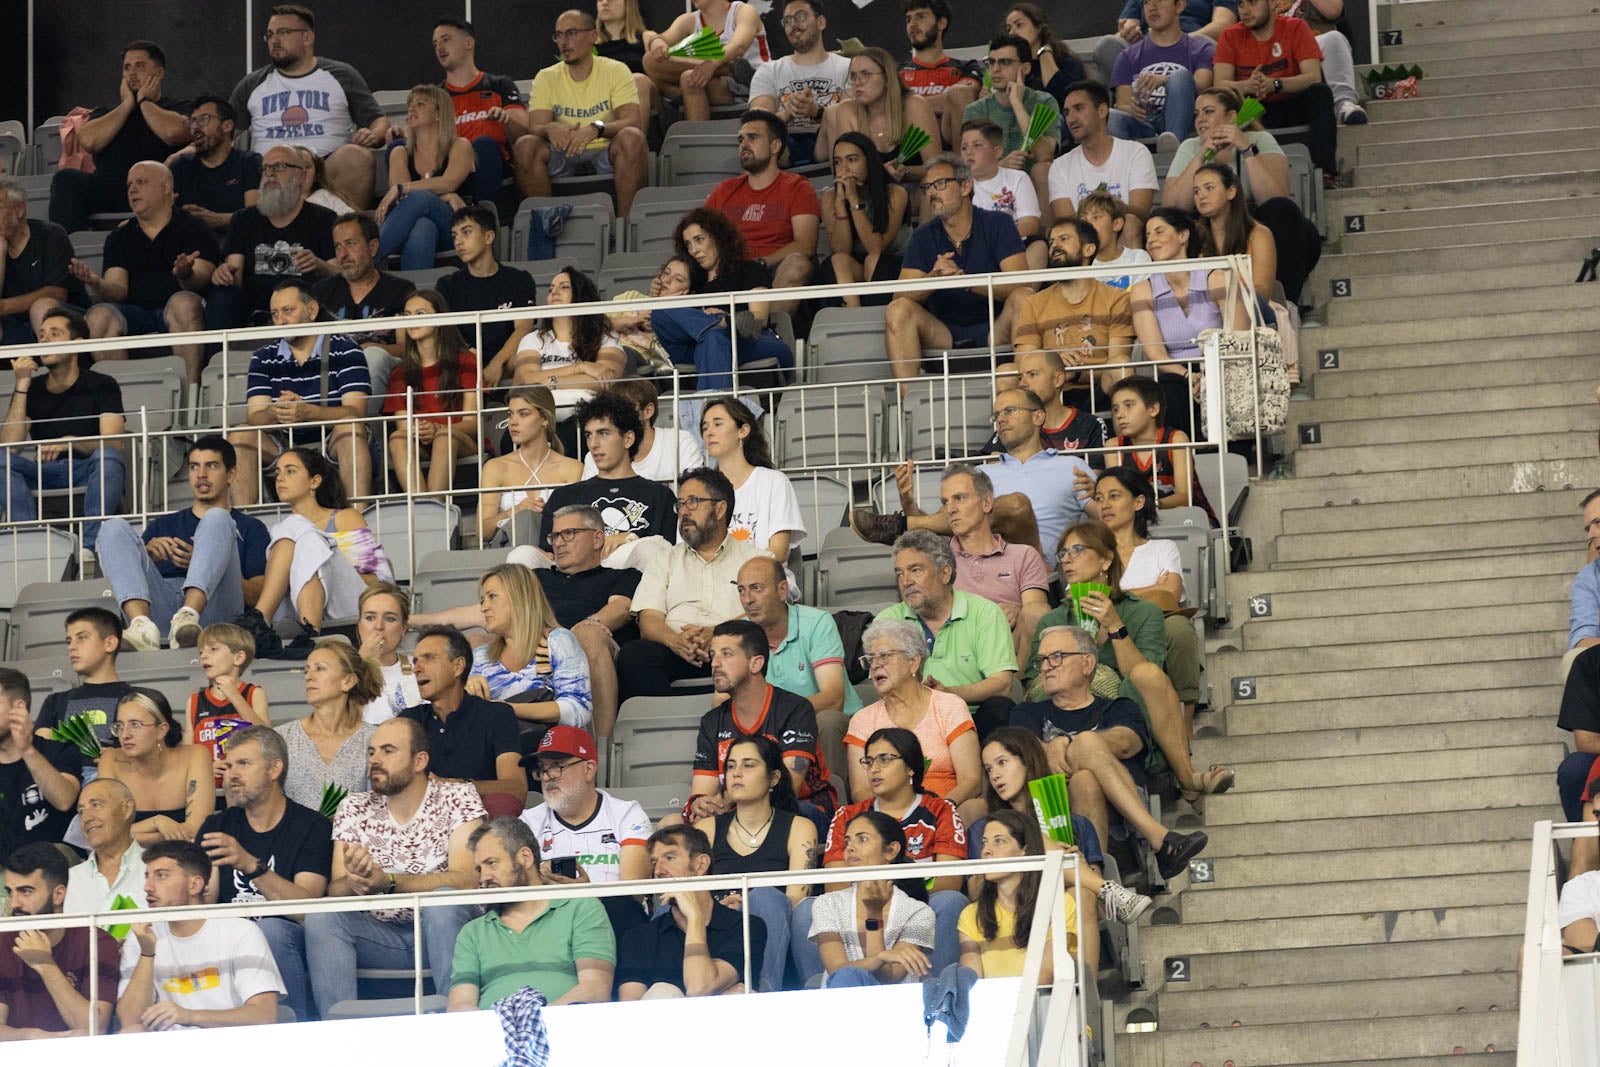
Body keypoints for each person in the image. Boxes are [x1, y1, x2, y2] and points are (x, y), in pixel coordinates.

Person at [1029, 520, 1230, 799]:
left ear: (1106, 560)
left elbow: (1145, 676)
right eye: (1063, 553)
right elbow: (1034, 683)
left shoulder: (1144, 612)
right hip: (1067, 708)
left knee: (1147, 674)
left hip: (1123, 709)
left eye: (1077, 550)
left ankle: (1186, 776)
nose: (1067, 559)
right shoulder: (1052, 621)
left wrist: (1114, 625)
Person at [307, 717, 484, 1018]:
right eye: (371, 751)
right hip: (380, 937)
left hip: (446, 932)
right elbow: (336, 889)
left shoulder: (457, 797)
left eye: (388, 751)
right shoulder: (353, 807)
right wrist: (357, 881)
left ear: (419, 761)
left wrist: (388, 882)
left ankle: (457, 1022)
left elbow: (467, 880)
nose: (375, 760)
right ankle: (337, 1031)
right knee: (323, 915)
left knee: (443, 902)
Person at [1014, 625, 1210, 878]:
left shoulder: (1120, 708)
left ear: (1087, 663)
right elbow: (1024, 751)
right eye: (1041, 659)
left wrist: (1064, 743)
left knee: (1086, 764)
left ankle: (1092, 883)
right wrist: (1061, 748)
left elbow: (1127, 743)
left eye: (1057, 657)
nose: (1045, 667)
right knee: (1084, 775)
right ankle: (1158, 840)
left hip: (1120, 820)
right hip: (1052, 815)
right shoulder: (1027, 712)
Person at [853, 387, 1095, 568]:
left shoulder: (1071, 466)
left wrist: (1097, 495)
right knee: (960, 509)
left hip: (1042, 566)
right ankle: (903, 524)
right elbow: (939, 528)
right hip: (981, 566)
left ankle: (899, 526)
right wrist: (908, 502)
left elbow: (1103, 521)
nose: (1001, 419)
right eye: (996, 415)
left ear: (1038, 417)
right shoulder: (983, 472)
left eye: (1010, 411)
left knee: (1016, 505)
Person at [799, 727, 967, 980]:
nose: (874, 769)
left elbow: (949, 880)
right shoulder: (847, 815)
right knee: (809, 908)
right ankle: (815, 988)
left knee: (950, 901)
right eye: (869, 761)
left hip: (917, 907)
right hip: (855, 909)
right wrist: (871, 901)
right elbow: (835, 883)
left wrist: (891, 899)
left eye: (885, 759)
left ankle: (936, 987)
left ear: (911, 767)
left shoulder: (941, 810)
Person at [198, 725, 332, 1023]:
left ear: (275, 769)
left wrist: (250, 865)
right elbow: (202, 900)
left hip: (286, 941)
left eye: (243, 764)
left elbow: (308, 910)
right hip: (227, 941)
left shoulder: (312, 826)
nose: (232, 774)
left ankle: (289, 1028)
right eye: (229, 766)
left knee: (271, 929)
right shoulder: (217, 825)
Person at [95, 436, 271, 651]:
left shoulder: (251, 527)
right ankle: (140, 627)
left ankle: (189, 615)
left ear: (231, 474)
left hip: (216, 614)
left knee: (217, 517)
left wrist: (206, 564)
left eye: (211, 466)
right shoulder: (162, 524)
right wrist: (146, 557)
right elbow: (125, 578)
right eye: (194, 466)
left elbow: (259, 596)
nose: (201, 474)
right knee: (112, 527)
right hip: (161, 612)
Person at [618, 467, 768, 699]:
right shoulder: (664, 560)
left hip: (736, 649)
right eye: (680, 504)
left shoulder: (756, 561)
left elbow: (767, 614)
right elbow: (649, 620)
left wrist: (717, 634)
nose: (683, 511)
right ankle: (664, 720)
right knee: (634, 654)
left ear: (720, 509)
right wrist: (676, 641)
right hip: (676, 651)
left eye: (693, 502)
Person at [978, 727, 1150, 926]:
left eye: (1002, 763)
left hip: (1063, 915)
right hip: (1010, 912)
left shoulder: (1078, 825)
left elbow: (1101, 910)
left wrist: (1080, 864)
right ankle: (1106, 887)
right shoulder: (985, 829)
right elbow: (976, 890)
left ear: (1027, 760)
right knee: (1042, 843)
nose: (995, 775)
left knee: (1082, 892)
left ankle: (1092, 882)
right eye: (989, 769)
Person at [884, 154, 1029, 387]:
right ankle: (908, 403)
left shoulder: (998, 223)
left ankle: (1027, 392)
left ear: (965, 187)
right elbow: (900, 295)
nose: (931, 193)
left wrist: (966, 282)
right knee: (898, 310)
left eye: (940, 184)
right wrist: (934, 278)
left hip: (995, 328)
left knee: (1024, 298)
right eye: (927, 187)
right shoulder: (923, 236)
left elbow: (1020, 283)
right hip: (943, 332)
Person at [1165, 87, 1318, 305]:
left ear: (1231, 117)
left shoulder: (1259, 139)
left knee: (1283, 212)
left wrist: (1246, 148)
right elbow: (1173, 207)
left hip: (1253, 223)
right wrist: (1201, 155)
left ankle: (1283, 302)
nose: (1200, 119)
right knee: (1168, 224)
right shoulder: (1190, 146)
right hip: (1210, 227)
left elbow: (1276, 196)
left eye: (1208, 112)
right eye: (1197, 114)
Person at [66, 162, 216, 383]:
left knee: (183, 304)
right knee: (98, 316)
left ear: (166, 187)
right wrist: (96, 282)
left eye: (141, 182)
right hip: (135, 313)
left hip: (177, 309)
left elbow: (203, 277)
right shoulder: (120, 236)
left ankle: (189, 393)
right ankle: (118, 397)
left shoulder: (193, 227)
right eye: (129, 185)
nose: (132, 189)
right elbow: (117, 290)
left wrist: (185, 274)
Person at [229, 3, 388, 210]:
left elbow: (379, 121)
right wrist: (192, 148)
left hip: (326, 173)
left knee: (357, 157)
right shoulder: (252, 83)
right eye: (270, 34)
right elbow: (224, 131)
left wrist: (373, 135)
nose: (275, 40)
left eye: (283, 32)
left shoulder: (342, 75)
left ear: (307, 37)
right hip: (269, 172)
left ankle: (346, 227)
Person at [447, 816, 616, 1009]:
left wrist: (535, 1019)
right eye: (479, 869)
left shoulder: (582, 908)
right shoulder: (473, 932)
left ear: (525, 857)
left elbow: (595, 988)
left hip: (565, 1025)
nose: (483, 877)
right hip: (492, 1028)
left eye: (491, 863)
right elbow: (459, 1005)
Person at [229, 282, 371, 508]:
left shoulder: (346, 349)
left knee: (350, 427)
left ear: (312, 310)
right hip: (283, 444)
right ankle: (247, 522)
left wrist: (308, 412)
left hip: (333, 440)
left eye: (288, 311)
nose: (280, 321)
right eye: (275, 314)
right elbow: (255, 418)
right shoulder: (262, 357)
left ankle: (357, 519)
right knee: (240, 434)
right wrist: (275, 412)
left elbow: (357, 412)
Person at [115, 840, 283, 1031]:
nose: (147, 887)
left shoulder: (241, 931)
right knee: (132, 1031)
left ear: (194, 885)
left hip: (230, 1042)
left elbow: (264, 1015)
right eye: (147, 876)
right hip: (169, 1047)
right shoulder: (142, 937)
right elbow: (130, 1021)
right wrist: (147, 954)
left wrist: (190, 1016)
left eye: (161, 876)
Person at [1091, 466, 1212, 728]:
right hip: (1104, 630)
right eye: (1099, 498)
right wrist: (1151, 589)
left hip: (1155, 623)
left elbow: (1169, 594)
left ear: (1138, 502)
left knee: (1178, 627)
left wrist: (1115, 596)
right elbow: (1086, 600)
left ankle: (1185, 726)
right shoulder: (1091, 553)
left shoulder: (1162, 548)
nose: (1105, 505)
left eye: (1114, 496)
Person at [694, 733, 816, 993]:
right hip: (719, 930)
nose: (736, 773)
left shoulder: (800, 827)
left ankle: (761, 989)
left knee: (766, 896)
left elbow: (796, 898)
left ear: (774, 778)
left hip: (776, 933)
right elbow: (692, 896)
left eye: (748, 765)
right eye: (731, 766)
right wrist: (720, 909)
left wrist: (748, 905)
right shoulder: (706, 828)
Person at [687, 620, 836, 829]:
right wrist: (701, 805)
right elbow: (702, 792)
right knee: (677, 824)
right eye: (713, 655)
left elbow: (787, 789)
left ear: (756, 664)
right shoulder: (712, 722)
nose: (715, 664)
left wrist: (726, 801)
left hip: (801, 811)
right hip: (736, 813)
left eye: (726, 654)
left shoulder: (795, 709)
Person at [237, 448, 391, 649]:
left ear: (315, 481)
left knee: (304, 534)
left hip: (354, 605)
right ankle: (308, 634)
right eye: (278, 472)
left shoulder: (345, 518)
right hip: (297, 610)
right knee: (295, 531)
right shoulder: (283, 533)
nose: (280, 478)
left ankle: (260, 618)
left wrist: (323, 569)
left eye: (290, 471)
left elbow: (381, 581)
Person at [1, 307, 127, 551]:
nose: (44, 340)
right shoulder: (33, 389)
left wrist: (71, 441)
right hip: (43, 473)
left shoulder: (102, 384)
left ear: (76, 344)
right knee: (0, 459)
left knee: (108, 457)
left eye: (54, 333)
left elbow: (113, 443)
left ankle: (90, 548)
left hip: (86, 469)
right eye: (41, 335)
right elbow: (10, 446)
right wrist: (22, 384)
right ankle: (27, 542)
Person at [737, 555, 859, 795]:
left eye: (756, 588)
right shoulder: (740, 634)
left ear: (782, 590)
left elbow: (833, 698)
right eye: (741, 590)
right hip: (772, 729)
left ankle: (831, 801)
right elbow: (720, 702)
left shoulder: (817, 623)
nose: (747, 599)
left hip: (826, 725)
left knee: (828, 721)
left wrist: (774, 714)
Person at [1126, 205, 1247, 434]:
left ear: (1183, 236)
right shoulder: (1143, 289)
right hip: (1176, 372)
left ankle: (1234, 449)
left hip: (1222, 365)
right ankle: (1185, 452)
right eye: (1147, 235)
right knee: (1170, 389)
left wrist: (1209, 376)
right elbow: (1155, 353)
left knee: (1223, 387)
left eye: (1159, 232)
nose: (1151, 240)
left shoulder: (1216, 277)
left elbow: (1238, 338)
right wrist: (1188, 376)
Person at [48, 42, 190, 235]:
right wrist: (127, 105)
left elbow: (173, 134)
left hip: (156, 189)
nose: (132, 73)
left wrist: (144, 102)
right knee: (66, 179)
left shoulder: (178, 107)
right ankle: (69, 248)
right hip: (111, 189)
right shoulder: (107, 113)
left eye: (140, 66)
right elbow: (88, 141)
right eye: (127, 68)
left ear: (159, 73)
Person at [518, 10, 647, 217]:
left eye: (571, 33)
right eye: (559, 35)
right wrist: (549, 128)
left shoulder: (616, 70)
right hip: (562, 152)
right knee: (525, 145)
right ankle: (544, 225)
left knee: (633, 137)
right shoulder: (546, 77)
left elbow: (632, 121)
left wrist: (596, 129)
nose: (563, 41)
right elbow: (535, 127)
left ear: (592, 36)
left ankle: (626, 225)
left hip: (605, 150)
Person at [846, 614, 987, 799]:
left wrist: (941, 809)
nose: (875, 665)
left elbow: (971, 781)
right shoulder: (863, 721)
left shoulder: (949, 707)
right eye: (871, 659)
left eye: (884, 656)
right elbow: (861, 792)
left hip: (946, 807)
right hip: (887, 812)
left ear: (913, 662)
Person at [652, 208, 792, 392]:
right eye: (688, 244)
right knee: (661, 311)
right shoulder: (693, 283)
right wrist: (656, 295)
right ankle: (720, 322)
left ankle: (711, 407)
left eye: (699, 240)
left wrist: (729, 319)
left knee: (714, 338)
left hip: (753, 341)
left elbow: (758, 320)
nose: (694, 250)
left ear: (718, 236)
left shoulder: (748, 270)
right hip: (701, 345)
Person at [532, 505, 641, 738]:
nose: (558, 543)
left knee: (588, 634)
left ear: (597, 538)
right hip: (537, 646)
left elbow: (621, 609)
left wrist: (569, 637)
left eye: (568, 534)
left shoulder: (622, 576)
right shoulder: (536, 578)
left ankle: (601, 747)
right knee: (474, 643)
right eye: (554, 536)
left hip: (593, 648)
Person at [616, 825, 761, 998]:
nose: (658, 871)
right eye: (654, 862)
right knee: (663, 991)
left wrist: (694, 918)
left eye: (669, 858)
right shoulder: (639, 937)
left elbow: (699, 987)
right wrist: (718, 994)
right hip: (661, 1017)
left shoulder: (745, 927)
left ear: (701, 864)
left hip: (722, 1017)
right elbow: (631, 1008)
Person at [208, 145, 339, 329]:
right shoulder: (243, 220)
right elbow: (234, 274)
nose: (270, 173)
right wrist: (223, 274)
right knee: (222, 296)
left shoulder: (324, 219)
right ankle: (222, 349)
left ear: (301, 177)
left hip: (304, 307)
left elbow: (339, 276)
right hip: (254, 308)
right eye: (265, 168)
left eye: (280, 166)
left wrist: (319, 265)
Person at [402, 625, 527, 813]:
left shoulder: (496, 715)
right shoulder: (408, 721)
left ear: (458, 666)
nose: (417, 669)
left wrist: (459, 787)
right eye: (415, 661)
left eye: (429, 658)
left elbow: (516, 788)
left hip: (481, 824)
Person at [0, 843, 119, 1039]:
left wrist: (46, 966)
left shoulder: (97, 941)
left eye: (26, 891)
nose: (14, 903)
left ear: (58, 895)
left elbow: (95, 1028)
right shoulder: (3, 942)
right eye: (10, 892)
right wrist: (31, 1036)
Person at [806, 810, 935, 987]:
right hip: (843, 999)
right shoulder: (827, 904)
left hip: (894, 1001)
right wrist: (881, 957)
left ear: (891, 851)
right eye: (847, 841)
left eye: (862, 839)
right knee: (847, 977)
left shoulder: (918, 912)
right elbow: (838, 972)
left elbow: (889, 977)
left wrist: (874, 915)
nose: (850, 847)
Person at [1212, 0, 1337, 181]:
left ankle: (1325, 172)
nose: (1245, 10)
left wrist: (1274, 84)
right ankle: (1226, 177)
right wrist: (1247, 86)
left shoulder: (1296, 27)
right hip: (1252, 109)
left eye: (1252, 3)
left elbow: (1313, 77)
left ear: (1272, 4)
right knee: (1221, 105)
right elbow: (1219, 84)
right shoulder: (1230, 35)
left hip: (1292, 104)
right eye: (1241, 4)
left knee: (1320, 92)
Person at [1012, 218, 1136, 398]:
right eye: (1051, 242)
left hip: (1099, 390)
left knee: (1121, 366)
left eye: (1063, 239)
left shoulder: (1116, 298)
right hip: (1049, 393)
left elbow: (1119, 360)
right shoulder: (1034, 303)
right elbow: (1023, 361)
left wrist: (1075, 373)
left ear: (1088, 249)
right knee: (1005, 373)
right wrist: (1054, 361)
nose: (1055, 246)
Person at [940, 463, 1051, 663]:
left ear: (986, 503)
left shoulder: (1023, 555)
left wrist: (1017, 610)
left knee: (1036, 611)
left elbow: (1035, 611)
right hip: (959, 650)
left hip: (1011, 648)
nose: (950, 509)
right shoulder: (939, 561)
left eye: (960, 498)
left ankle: (1016, 680)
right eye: (945, 502)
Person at [540, 391, 679, 548]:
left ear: (628, 439)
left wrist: (631, 540)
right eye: (589, 435)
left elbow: (665, 553)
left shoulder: (659, 497)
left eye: (603, 434)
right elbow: (547, 552)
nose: (593, 444)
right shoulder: (564, 497)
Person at [466, 562, 594, 732]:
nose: (484, 607)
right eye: (482, 600)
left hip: (548, 747)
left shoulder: (557, 642)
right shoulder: (481, 657)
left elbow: (579, 709)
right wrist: (465, 694)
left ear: (520, 597)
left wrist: (508, 709)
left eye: (492, 596)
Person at [707, 110, 820, 301]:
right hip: (731, 273)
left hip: (773, 271)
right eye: (741, 140)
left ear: (775, 146)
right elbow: (702, 236)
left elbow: (805, 245)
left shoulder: (798, 187)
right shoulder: (724, 190)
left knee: (798, 264)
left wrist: (759, 264)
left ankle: (762, 318)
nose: (744, 144)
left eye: (753, 137)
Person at [521, 726, 651, 888]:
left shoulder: (627, 814)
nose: (547, 777)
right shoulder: (528, 822)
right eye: (542, 768)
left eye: (557, 766)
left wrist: (584, 897)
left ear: (589, 769)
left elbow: (633, 893)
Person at [313, 212, 416, 408]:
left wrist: (373, 349)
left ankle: (359, 423)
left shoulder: (400, 290)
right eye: (337, 246)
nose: (342, 254)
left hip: (384, 373)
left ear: (372, 247)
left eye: (350, 244)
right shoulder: (321, 292)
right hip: (332, 373)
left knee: (374, 356)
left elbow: (407, 347)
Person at [383, 288, 481, 495]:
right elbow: (404, 426)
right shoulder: (400, 372)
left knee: (444, 436)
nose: (412, 320)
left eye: (420, 314)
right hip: (421, 443)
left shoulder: (466, 361)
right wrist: (421, 432)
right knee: (398, 438)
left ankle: (434, 507)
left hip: (460, 439)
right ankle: (421, 506)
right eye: (407, 315)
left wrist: (437, 428)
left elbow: (472, 423)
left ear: (439, 319)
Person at [96, 689, 213, 847]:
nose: (125, 735)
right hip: (129, 858)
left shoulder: (196, 756)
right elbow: (106, 832)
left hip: (184, 856)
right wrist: (156, 822)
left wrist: (131, 835)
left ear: (161, 730)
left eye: (135, 725)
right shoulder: (111, 760)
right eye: (120, 726)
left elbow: (197, 829)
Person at [375, 85, 475, 271]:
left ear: (438, 114)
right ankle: (416, 288)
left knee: (421, 197)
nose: (411, 109)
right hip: (413, 231)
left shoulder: (460, 146)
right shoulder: (400, 153)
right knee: (423, 226)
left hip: (457, 228)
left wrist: (402, 188)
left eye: (420, 104)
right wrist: (447, 197)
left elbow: (449, 182)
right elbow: (403, 202)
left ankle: (368, 258)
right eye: (410, 105)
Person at [437, 204, 538, 385]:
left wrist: (497, 362)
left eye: (466, 232)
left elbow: (524, 327)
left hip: (506, 361)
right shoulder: (447, 285)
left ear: (488, 237)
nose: (458, 242)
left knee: (525, 357)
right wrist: (471, 359)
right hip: (463, 362)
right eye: (454, 236)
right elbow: (444, 334)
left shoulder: (519, 279)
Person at [958, 808, 1066, 979]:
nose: (986, 851)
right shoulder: (971, 915)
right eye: (984, 843)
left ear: (1025, 850)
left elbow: (1048, 974)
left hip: (1041, 996)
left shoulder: (1060, 904)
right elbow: (972, 981)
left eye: (999, 841)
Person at [1047, 81, 1159, 247]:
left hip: (1122, 236)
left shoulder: (1135, 152)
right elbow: (1067, 223)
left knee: (1130, 221)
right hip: (1082, 241)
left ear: (1102, 111)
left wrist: (1101, 212)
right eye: (1067, 112)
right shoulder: (1059, 166)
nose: (1071, 118)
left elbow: (1140, 212)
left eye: (1079, 108)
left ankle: (1130, 266)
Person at [273, 640, 380, 809]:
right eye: (306, 670)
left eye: (320, 668)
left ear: (348, 681)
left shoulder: (374, 739)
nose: (308, 677)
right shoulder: (282, 738)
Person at [434, 17, 529, 204]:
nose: (439, 47)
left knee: (483, 144)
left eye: (445, 40)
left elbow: (524, 133)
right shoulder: (436, 97)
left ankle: (485, 213)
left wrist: (506, 119)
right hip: (450, 170)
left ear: (468, 43)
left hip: (494, 166)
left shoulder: (500, 85)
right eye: (435, 43)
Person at [960, 35, 1060, 214]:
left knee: (1042, 169)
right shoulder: (975, 110)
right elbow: (967, 165)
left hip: (1033, 184)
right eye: (991, 62)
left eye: (1005, 62)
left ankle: (1043, 232)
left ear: (1025, 68)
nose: (995, 69)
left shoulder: (1044, 101)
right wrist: (1000, 166)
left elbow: (1045, 155)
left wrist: (1017, 103)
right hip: (992, 185)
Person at [701, 396, 806, 560]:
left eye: (718, 424)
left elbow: (778, 551)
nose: (709, 432)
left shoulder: (774, 482)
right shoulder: (700, 489)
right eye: (704, 427)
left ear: (743, 431)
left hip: (763, 574)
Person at [749, 0, 852, 165]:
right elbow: (756, 122)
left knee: (839, 114)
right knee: (758, 130)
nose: (793, 25)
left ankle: (842, 178)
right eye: (787, 20)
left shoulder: (848, 67)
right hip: (783, 147)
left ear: (821, 22)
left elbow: (853, 118)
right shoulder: (768, 71)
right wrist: (789, 113)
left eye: (801, 16)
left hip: (831, 144)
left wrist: (817, 112)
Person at [816, 48, 941, 184]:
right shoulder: (847, 111)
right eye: (853, 76)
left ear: (887, 78)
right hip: (871, 192)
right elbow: (846, 173)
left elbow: (937, 169)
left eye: (866, 74)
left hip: (918, 187)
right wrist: (882, 174)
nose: (858, 82)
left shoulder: (914, 105)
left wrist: (906, 171)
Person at [480, 386, 583, 547]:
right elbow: (482, 530)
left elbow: (577, 526)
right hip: (506, 551)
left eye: (523, 414)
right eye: (510, 414)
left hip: (555, 549)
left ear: (545, 419)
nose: (513, 422)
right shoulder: (495, 467)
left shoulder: (572, 468)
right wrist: (515, 511)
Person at [1105, 375, 1216, 519]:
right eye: (1115, 409)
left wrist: (1149, 506)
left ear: (1153, 409)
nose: (1119, 415)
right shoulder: (1113, 446)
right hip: (1138, 520)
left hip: (1188, 519)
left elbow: (1184, 497)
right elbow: (1117, 497)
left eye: (1129, 405)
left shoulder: (1175, 440)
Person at [817, 131, 910, 301]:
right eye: (838, 162)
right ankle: (852, 314)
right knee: (838, 260)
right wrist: (841, 204)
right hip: (860, 267)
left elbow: (877, 248)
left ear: (869, 161)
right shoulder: (830, 197)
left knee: (873, 260)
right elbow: (841, 249)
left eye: (852, 160)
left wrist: (854, 201)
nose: (844, 169)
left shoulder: (895, 193)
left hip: (898, 267)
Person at [644, 0, 770, 123]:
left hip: (751, 82)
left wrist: (712, 63)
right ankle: (725, 69)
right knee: (651, 61)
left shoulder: (743, 10)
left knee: (689, 79)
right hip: (712, 79)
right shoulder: (689, 20)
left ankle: (689, 133)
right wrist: (655, 40)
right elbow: (663, 40)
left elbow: (739, 46)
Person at [1108, 0, 1215, 143]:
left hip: (1187, 119)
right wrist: (1132, 109)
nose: (1152, 7)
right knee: (1110, 116)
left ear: (1179, 6)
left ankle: (1174, 147)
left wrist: (1166, 80)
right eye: (1147, 2)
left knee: (1180, 76)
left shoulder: (1202, 49)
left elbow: (1202, 87)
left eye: (1159, 0)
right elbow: (1123, 104)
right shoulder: (1127, 56)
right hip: (1145, 123)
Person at [504, 267, 625, 389]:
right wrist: (580, 367)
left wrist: (551, 382)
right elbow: (527, 380)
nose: (554, 292)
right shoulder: (532, 339)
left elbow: (604, 381)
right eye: (551, 289)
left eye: (564, 287)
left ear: (582, 295)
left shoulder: (606, 337)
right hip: (543, 402)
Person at [0, 670, 81, 852]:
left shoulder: (60, 750)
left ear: (18, 708)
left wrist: (27, 751)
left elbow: (64, 800)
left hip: (54, 863)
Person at [0, 179, 88, 346]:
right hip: (16, 327)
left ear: (19, 209)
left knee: (41, 306)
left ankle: (53, 362)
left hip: (64, 321)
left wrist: (4, 307)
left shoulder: (50, 234)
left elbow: (57, 293)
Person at [977, 350, 1107, 461]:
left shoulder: (1090, 425)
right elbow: (992, 468)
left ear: (1058, 380)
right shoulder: (1012, 426)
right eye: (1020, 377)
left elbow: (1093, 478)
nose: (1022, 383)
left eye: (1032, 374)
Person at [33, 608, 134, 741]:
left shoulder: (139, 699)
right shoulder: (54, 702)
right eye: (69, 641)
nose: (71, 647)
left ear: (109, 643)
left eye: (82, 638)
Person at [583, 378, 706, 484]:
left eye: (626, 410)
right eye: (613, 412)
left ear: (648, 411)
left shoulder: (680, 442)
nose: (618, 416)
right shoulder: (597, 455)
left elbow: (696, 493)